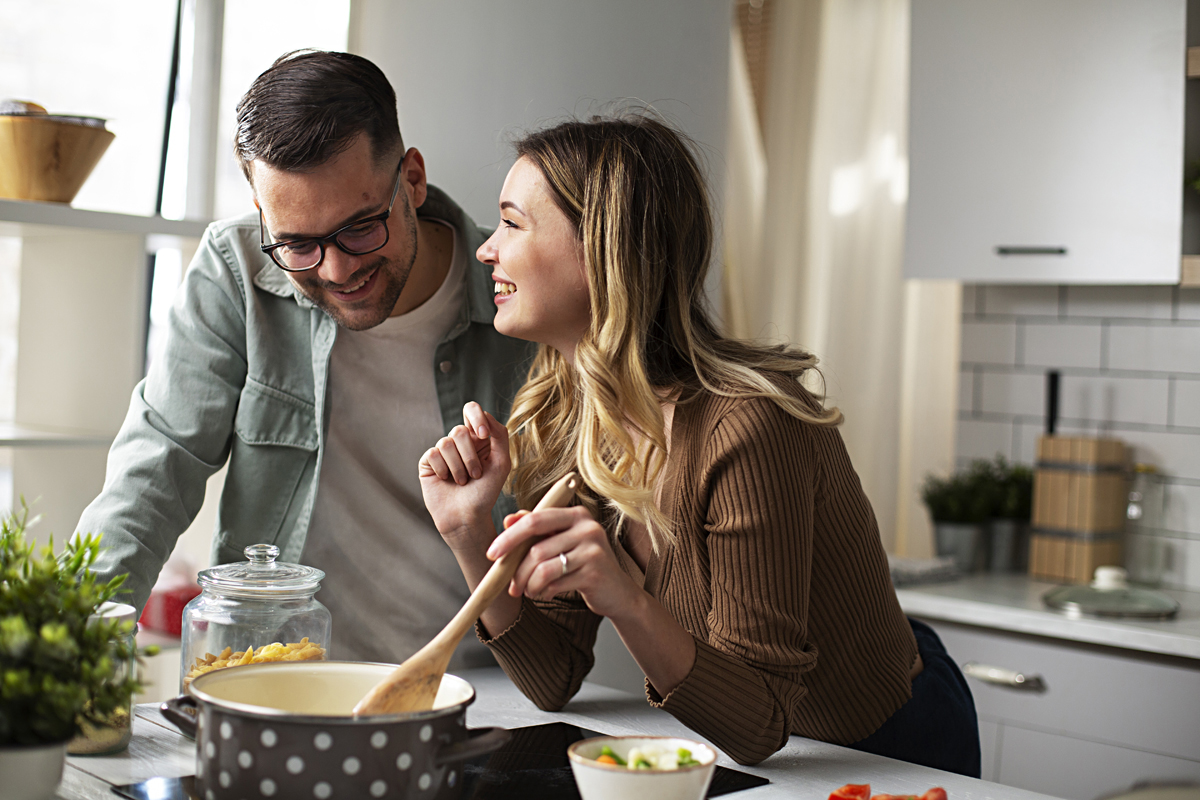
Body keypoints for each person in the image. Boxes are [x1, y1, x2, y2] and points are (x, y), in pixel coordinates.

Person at [418, 113, 981, 773]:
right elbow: (551, 678)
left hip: (885, 750)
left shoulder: (749, 427)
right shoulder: (567, 414)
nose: (487, 249)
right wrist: (467, 533)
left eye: (512, 223)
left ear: (602, 249)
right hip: (768, 756)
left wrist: (626, 599)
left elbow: (760, 722)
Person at [77, 50, 533, 670]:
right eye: (297, 243)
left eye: (361, 227)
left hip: (475, 692)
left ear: (413, 180)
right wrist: (74, 646)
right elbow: (156, 467)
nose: (338, 270)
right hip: (274, 677)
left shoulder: (519, 289)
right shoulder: (236, 267)